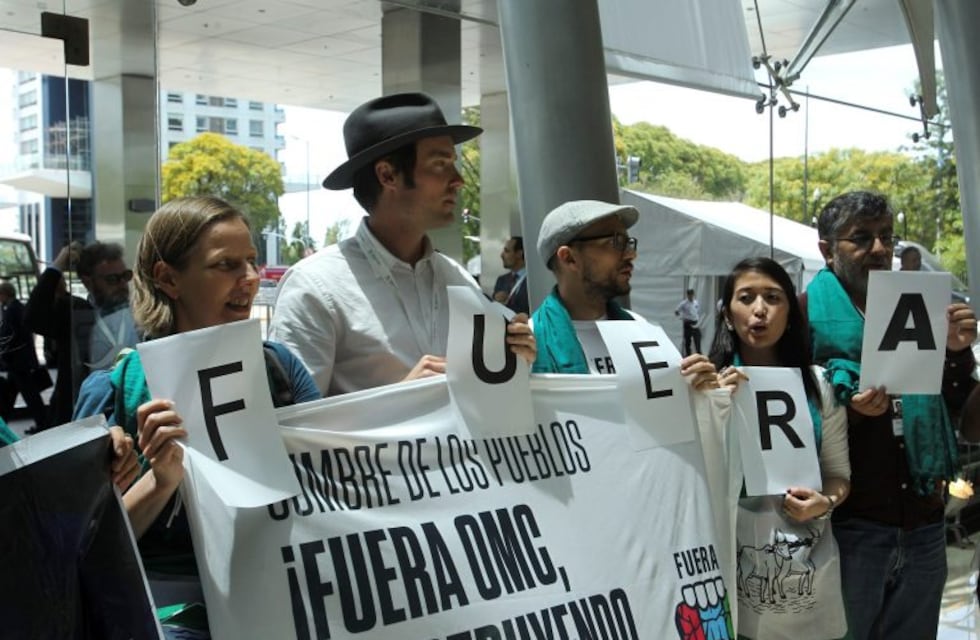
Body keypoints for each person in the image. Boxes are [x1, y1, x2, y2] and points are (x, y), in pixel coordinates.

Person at [73, 196, 320, 639]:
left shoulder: (281, 369)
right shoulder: (113, 392)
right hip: (170, 611)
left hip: (281, 590)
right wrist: (161, 480)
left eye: (251, 261)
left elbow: (333, 483)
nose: (249, 279)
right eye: (226, 265)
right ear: (168, 278)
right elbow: (84, 548)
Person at [269, 92, 535, 396]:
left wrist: (514, 359)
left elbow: (485, 393)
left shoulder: (457, 279)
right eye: (440, 164)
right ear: (388, 175)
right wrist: (402, 399)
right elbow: (292, 425)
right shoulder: (314, 288)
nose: (458, 179)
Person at [804, 190, 977, 639]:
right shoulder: (804, 315)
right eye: (861, 238)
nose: (880, 250)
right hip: (849, 530)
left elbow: (955, 410)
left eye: (887, 236)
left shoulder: (920, 306)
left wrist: (956, 353)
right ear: (826, 249)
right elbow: (791, 425)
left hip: (922, 522)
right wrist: (852, 412)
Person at [710, 257, 850, 637]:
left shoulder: (819, 386)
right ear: (727, 314)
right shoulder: (704, 389)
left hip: (810, 571)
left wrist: (826, 503)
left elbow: (838, 474)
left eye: (773, 297)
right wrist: (712, 409)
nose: (759, 310)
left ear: (790, 311)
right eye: (746, 297)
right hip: (727, 571)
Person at [530, 199, 718, 388]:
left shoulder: (643, 331)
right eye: (615, 242)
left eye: (628, 243)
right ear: (569, 258)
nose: (631, 255)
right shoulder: (530, 345)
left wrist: (697, 389)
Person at [25, 241, 139, 426]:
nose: (121, 284)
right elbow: (33, 317)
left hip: (127, 412)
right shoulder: (75, 313)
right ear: (88, 281)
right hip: (84, 414)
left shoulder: (139, 313)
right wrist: (58, 265)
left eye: (125, 276)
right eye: (112, 279)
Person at [0, 280, 50, 432]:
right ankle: (5, 423)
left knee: (29, 395)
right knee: (11, 394)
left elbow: (8, 335)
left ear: (4, 294)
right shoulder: (18, 307)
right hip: (20, 360)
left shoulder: (12, 310)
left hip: (17, 362)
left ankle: (43, 423)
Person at [493, 236, 529, 314]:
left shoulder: (532, 280)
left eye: (507, 251)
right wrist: (496, 300)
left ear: (519, 254)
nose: (502, 255)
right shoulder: (501, 280)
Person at [675, 288, 702, 356]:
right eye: (689, 294)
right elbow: (677, 311)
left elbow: (697, 311)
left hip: (695, 322)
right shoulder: (684, 303)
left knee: (697, 338)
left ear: (693, 294)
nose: (691, 296)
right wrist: (681, 317)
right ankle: (688, 354)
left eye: (692, 294)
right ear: (687, 295)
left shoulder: (696, 302)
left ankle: (699, 353)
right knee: (688, 340)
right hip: (688, 323)